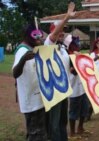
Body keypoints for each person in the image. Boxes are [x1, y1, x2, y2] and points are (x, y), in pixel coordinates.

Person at [43, 2, 76, 141]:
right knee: (54, 123)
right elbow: (55, 33)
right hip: (54, 91)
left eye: (64, 31)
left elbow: (64, 67)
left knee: (63, 120)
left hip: (64, 89)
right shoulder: (48, 44)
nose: (62, 33)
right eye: (59, 31)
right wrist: (67, 16)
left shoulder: (62, 48)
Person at [12, 23, 47, 141]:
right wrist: (22, 60)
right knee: (35, 133)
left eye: (40, 35)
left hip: (38, 98)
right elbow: (15, 74)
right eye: (35, 36)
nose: (39, 38)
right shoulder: (22, 51)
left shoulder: (33, 48)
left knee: (39, 131)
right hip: (31, 101)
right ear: (27, 36)